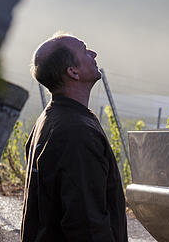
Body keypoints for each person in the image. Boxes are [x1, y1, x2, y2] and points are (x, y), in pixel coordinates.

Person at [21, 33, 128, 242]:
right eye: (84, 50)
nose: (93, 53)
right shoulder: (76, 133)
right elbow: (87, 223)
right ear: (73, 72)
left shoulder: (49, 120)